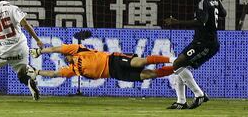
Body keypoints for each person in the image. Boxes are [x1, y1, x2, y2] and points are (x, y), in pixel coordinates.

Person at [164, 0, 226, 109]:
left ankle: (199, 94)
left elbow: (200, 21)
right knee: (180, 66)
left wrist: (176, 22)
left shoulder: (203, 2)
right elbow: (223, 13)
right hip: (204, 42)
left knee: (177, 64)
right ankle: (181, 102)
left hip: (204, 43)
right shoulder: (213, 0)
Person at [28, 43, 174, 82]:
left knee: (139, 62)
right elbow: (54, 74)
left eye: (63, 55)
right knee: (149, 75)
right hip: (115, 74)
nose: (63, 56)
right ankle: (176, 68)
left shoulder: (76, 50)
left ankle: (172, 60)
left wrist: (40, 51)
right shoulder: (72, 70)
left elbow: (55, 49)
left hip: (112, 60)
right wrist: (37, 72)